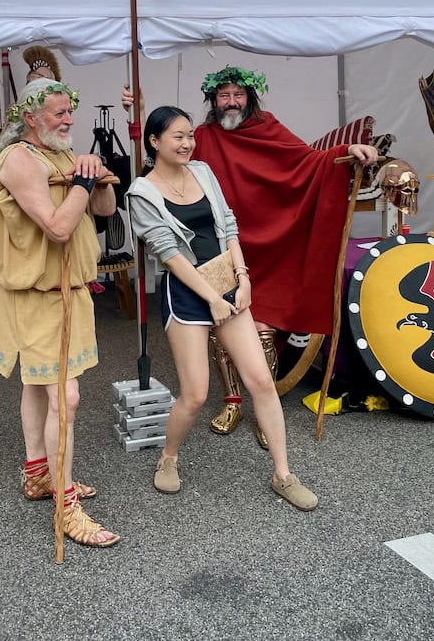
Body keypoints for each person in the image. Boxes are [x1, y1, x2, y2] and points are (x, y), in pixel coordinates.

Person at [126, 105, 318, 510]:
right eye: (177, 136)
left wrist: (243, 277)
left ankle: (283, 474)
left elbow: (228, 225)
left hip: (229, 286)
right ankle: (169, 457)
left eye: (190, 135)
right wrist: (211, 298)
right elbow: (169, 254)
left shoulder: (204, 173)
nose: (186, 143)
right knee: (195, 394)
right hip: (187, 294)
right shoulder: (141, 193)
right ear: (155, 142)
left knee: (261, 381)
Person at [192, 65, 378, 444]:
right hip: (222, 245)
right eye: (223, 95)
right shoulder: (202, 137)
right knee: (221, 329)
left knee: (263, 329)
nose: (231, 102)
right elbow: (165, 154)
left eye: (238, 95)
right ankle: (231, 401)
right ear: (213, 100)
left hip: (271, 246)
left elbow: (308, 159)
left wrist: (345, 152)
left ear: (250, 97)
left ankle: (266, 404)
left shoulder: (268, 127)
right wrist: (137, 118)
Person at [0, 77, 120, 548]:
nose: (68, 120)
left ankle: (38, 473)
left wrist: (95, 172)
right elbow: (60, 227)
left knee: (38, 388)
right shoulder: (20, 160)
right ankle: (65, 506)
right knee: (68, 398)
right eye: (59, 113)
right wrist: (82, 182)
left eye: (69, 112)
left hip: (68, 292)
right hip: (37, 295)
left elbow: (103, 209)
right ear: (30, 118)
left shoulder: (63, 155)